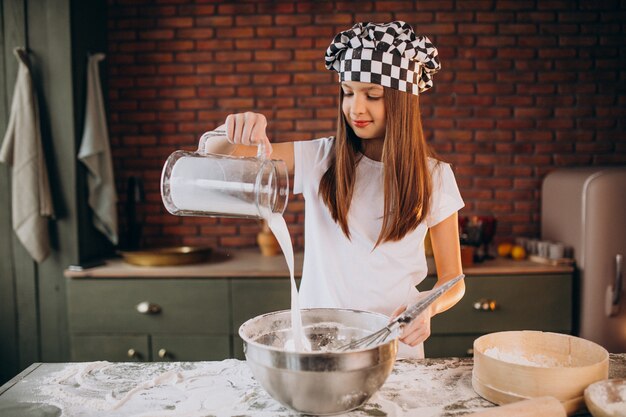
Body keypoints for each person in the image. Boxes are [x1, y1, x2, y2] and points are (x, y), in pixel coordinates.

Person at [199, 21, 465, 358]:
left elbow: (454, 278)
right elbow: (215, 157)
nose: (356, 108)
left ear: (403, 103)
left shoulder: (436, 177)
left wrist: (427, 309)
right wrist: (232, 129)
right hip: (318, 348)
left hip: (395, 351)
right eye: (348, 92)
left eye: (373, 95)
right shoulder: (320, 158)